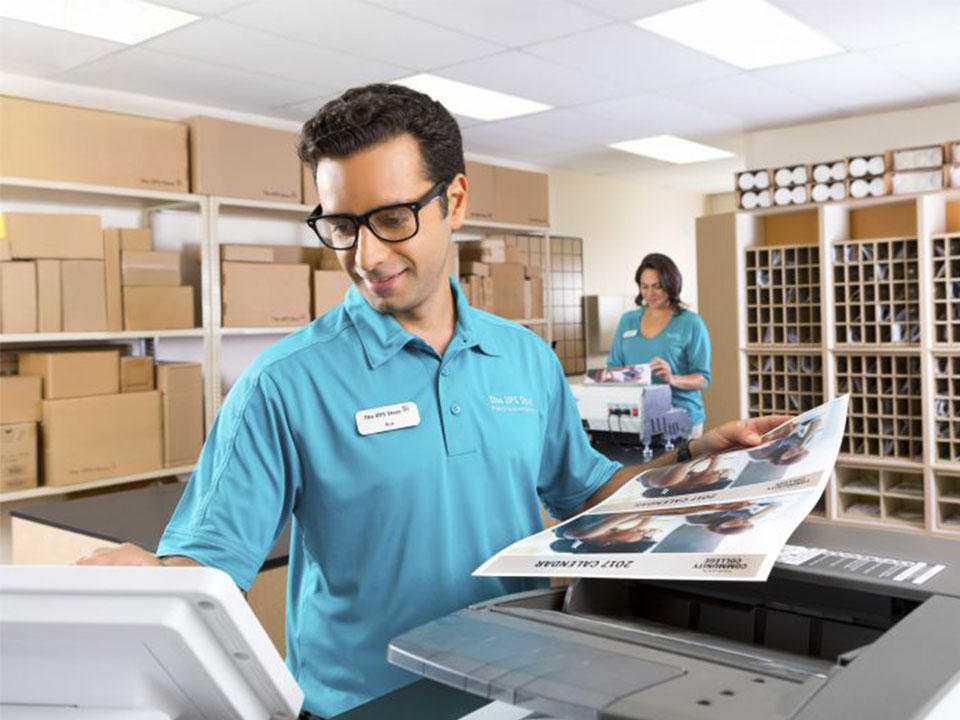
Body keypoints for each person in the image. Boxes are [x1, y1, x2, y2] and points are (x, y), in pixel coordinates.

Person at [77, 83, 786, 719]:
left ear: (453, 202)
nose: (367, 256)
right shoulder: (283, 383)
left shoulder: (525, 358)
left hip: (524, 689)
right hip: (366, 705)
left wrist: (693, 455)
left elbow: (589, 495)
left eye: (390, 219)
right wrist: (156, 582)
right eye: (342, 226)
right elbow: (210, 566)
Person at [607, 253, 711, 437]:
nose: (650, 293)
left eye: (657, 286)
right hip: (635, 419)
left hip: (681, 418)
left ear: (671, 284)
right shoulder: (628, 321)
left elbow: (702, 379)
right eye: (644, 287)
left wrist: (672, 378)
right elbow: (613, 367)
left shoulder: (690, 322)